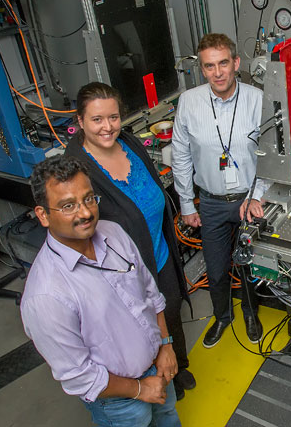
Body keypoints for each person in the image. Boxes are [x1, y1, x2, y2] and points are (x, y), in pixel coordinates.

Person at [21, 156, 181, 427]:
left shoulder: (113, 232)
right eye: (68, 206)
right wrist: (140, 389)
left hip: (160, 366)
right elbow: (79, 376)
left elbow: (149, 291)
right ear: (43, 215)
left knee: (169, 420)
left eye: (89, 199)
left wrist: (165, 345)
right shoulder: (45, 297)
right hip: (119, 402)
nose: (85, 213)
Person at [65, 82, 194, 399]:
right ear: (80, 121)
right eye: (97, 120)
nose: (107, 127)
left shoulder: (130, 143)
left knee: (170, 312)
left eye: (113, 117)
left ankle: (178, 366)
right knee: (139, 330)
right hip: (123, 274)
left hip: (159, 255)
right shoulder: (76, 168)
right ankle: (153, 380)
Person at [170, 33, 270, 348]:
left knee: (249, 264)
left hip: (247, 200)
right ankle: (222, 316)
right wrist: (187, 204)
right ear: (202, 69)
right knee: (215, 271)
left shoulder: (257, 99)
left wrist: (258, 195)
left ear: (236, 63)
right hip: (211, 203)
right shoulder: (189, 102)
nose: (218, 73)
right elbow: (181, 156)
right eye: (209, 66)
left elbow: (272, 155)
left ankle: (251, 314)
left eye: (223, 63)